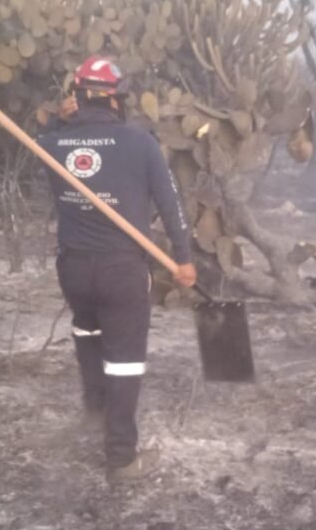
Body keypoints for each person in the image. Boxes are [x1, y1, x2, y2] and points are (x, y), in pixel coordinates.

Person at [38, 55, 197, 484]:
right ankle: (122, 459)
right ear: (115, 99)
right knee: (124, 361)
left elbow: (45, 139)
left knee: (87, 331)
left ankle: (95, 408)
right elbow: (170, 204)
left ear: (77, 97)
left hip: (73, 269)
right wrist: (183, 258)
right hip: (121, 271)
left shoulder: (53, 145)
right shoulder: (140, 143)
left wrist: (59, 122)